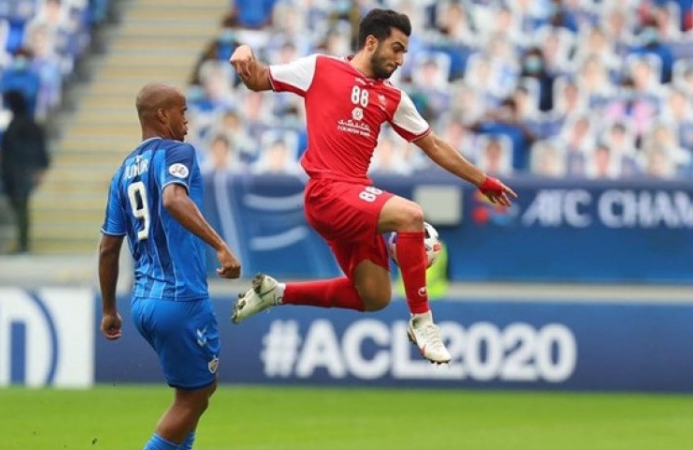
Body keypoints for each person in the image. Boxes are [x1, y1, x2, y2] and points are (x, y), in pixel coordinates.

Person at [229, 8, 517, 364]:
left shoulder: (393, 98)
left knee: (375, 296)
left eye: (404, 52)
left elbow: (435, 145)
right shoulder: (319, 68)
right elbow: (257, 78)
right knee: (411, 215)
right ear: (370, 42)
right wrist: (244, 53)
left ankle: (277, 293)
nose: (400, 59)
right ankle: (423, 322)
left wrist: (483, 180)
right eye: (396, 49)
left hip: (352, 198)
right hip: (326, 192)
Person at [98, 82, 241, 450]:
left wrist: (110, 309)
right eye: (182, 111)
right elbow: (173, 198)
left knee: (196, 391)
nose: (187, 121)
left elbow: (108, 248)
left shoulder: (123, 171)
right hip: (180, 298)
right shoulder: (178, 152)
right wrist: (221, 246)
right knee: (194, 396)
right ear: (163, 115)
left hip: (143, 302)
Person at [0, 90, 49, 254]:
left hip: (21, 174)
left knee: (21, 208)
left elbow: (38, 150)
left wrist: (38, 169)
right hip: (16, 174)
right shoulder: (23, 124)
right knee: (20, 208)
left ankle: (23, 243)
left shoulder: (21, 125)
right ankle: (21, 241)